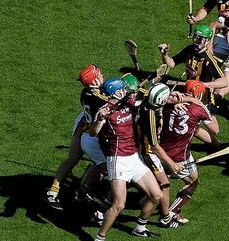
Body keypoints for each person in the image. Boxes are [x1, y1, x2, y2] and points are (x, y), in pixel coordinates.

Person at [91, 79, 162, 239]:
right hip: (118, 160)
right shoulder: (104, 110)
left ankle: (140, 227)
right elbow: (93, 132)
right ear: (116, 92)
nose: (125, 90)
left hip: (134, 158)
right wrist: (99, 119)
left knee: (157, 195)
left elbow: (143, 101)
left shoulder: (128, 102)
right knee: (119, 204)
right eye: (122, 88)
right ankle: (100, 237)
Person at [45, 65, 107, 210]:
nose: (102, 75)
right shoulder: (100, 99)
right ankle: (83, 194)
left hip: (81, 124)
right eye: (99, 74)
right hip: (93, 130)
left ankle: (53, 191)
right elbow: (112, 102)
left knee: (72, 159)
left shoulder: (86, 93)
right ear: (94, 82)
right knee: (103, 167)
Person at [156, 80, 219, 222]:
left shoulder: (167, 104)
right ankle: (170, 212)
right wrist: (208, 109)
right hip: (179, 155)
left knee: (160, 180)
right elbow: (215, 130)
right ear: (199, 94)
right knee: (192, 181)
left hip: (159, 151)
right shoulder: (199, 109)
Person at [134, 83, 189, 230]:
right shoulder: (151, 116)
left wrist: (175, 101)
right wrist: (172, 164)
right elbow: (154, 147)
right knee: (165, 184)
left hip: (142, 149)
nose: (171, 96)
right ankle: (165, 218)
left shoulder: (147, 102)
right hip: (147, 153)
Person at [158, 24, 229, 111]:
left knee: (208, 121)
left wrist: (203, 85)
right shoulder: (190, 49)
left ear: (207, 41)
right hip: (188, 91)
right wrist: (165, 55)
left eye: (200, 39)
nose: (196, 41)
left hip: (204, 97)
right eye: (195, 37)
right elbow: (172, 64)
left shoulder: (209, 60)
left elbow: (224, 82)